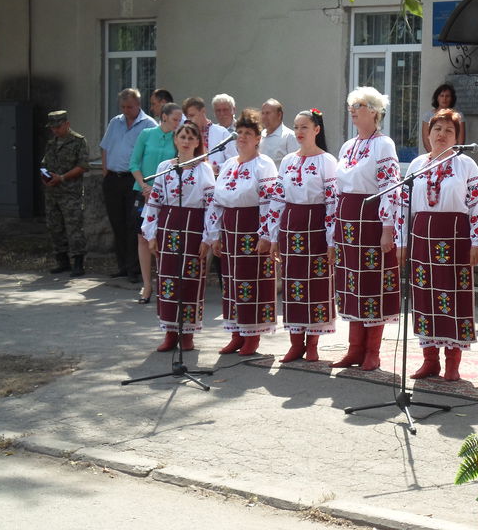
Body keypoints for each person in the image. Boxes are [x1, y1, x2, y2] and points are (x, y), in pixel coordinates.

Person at [398, 109, 478, 381]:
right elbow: (403, 206)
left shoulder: (466, 165)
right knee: (425, 298)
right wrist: (402, 241)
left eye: (449, 130)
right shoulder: (416, 166)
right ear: (428, 134)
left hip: (455, 239)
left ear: (457, 137)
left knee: (454, 298)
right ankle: (430, 360)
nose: (441, 134)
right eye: (437, 129)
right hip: (422, 239)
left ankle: (452, 362)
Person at [331, 86, 401, 371]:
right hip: (347, 224)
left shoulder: (384, 144)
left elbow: (390, 187)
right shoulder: (348, 146)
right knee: (351, 285)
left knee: (373, 284)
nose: (353, 110)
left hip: (371, 221)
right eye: (351, 105)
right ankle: (354, 349)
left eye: (358, 105)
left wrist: (388, 227)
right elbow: (338, 188)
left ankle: (372, 351)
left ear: (373, 111)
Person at [203, 109, 278, 356]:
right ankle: (236, 333)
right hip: (230, 229)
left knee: (251, 282)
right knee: (232, 283)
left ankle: (251, 336)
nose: (243, 138)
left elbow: (270, 201)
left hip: (252, 228)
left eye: (248, 133)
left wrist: (267, 235)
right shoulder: (227, 165)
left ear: (258, 138)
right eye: (240, 133)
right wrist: (214, 235)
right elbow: (217, 202)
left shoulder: (264, 164)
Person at [267, 109, 338, 363]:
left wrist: (332, 240)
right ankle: (295, 342)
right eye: (296, 127)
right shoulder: (287, 161)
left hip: (316, 227)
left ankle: (313, 343)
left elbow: (332, 202)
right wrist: (273, 237)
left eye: (304, 127)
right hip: (291, 226)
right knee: (293, 283)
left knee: (316, 284)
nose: (299, 132)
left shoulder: (327, 161)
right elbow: (277, 199)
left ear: (317, 130)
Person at [142, 121, 215, 352]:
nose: (186, 141)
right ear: (176, 140)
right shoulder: (165, 167)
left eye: (191, 138)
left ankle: (188, 334)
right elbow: (154, 201)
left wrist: (207, 238)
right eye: (182, 137)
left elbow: (211, 205)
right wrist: (151, 234)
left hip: (193, 227)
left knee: (191, 280)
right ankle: (170, 333)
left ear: (197, 143)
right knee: (168, 280)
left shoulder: (204, 169)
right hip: (169, 226)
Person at [100, 88, 157, 281]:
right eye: (123, 107)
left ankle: (135, 269)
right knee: (117, 223)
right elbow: (105, 147)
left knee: (133, 225)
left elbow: (150, 153)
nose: (126, 110)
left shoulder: (148, 124)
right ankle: (122, 266)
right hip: (113, 179)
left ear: (138, 105)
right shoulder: (115, 122)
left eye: (129, 107)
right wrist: (105, 171)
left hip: (133, 180)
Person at [129, 102, 182, 303]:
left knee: (161, 238)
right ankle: (147, 284)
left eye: (180, 119)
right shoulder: (146, 134)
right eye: (176, 119)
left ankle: (164, 282)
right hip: (141, 192)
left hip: (165, 194)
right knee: (143, 237)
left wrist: (156, 189)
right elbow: (134, 163)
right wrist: (144, 186)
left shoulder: (178, 138)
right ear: (165, 117)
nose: (179, 123)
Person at [40, 110, 90, 277]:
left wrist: (62, 177)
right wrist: (44, 175)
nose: (55, 130)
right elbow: (45, 163)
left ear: (67, 125)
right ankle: (62, 261)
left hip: (71, 193)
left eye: (58, 127)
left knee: (74, 227)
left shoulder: (78, 142)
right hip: (52, 193)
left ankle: (78, 263)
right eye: (52, 128)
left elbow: (82, 166)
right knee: (55, 227)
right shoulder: (51, 143)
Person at [183, 96, 236, 175]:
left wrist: (217, 168)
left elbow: (234, 162)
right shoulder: (187, 135)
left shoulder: (221, 133)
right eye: (188, 117)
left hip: (217, 181)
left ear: (203, 111)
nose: (190, 120)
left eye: (192, 115)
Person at [420, 83, 465, 152]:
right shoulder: (428, 116)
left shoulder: (458, 116)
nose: (444, 99)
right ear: (437, 98)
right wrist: (435, 156)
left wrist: (451, 156)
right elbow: (426, 141)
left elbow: (460, 141)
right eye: (441, 96)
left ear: (452, 98)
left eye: (447, 96)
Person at [260, 98, 299, 169]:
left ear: (279, 115)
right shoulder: (260, 135)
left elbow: (296, 164)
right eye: (263, 113)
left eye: (268, 113)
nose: (264, 117)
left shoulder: (289, 136)